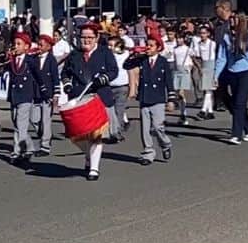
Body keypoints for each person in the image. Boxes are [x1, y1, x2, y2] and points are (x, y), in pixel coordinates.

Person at [62, 23, 119, 181]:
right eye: (83, 37)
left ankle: (94, 168)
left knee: (96, 135)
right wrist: (67, 84)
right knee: (77, 136)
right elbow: (65, 72)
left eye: (89, 37)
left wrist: (103, 78)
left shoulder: (104, 52)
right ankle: (88, 155)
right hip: (79, 98)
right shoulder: (74, 54)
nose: (86, 40)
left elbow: (114, 71)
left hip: (99, 98)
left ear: (97, 38)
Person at [215, 15, 248, 144]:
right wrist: (215, 76)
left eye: (234, 19)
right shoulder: (226, 37)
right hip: (232, 71)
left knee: (239, 102)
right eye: (230, 20)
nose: (231, 22)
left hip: (247, 71)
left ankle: (236, 135)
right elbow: (222, 57)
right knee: (237, 104)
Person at [123, 35, 173, 164]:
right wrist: (133, 54)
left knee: (157, 127)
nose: (148, 48)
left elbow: (169, 82)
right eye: (147, 45)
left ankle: (165, 143)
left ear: (158, 48)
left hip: (158, 98)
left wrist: (171, 99)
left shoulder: (163, 62)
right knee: (145, 128)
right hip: (145, 97)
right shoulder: (142, 60)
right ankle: (148, 152)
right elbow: (126, 65)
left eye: (151, 46)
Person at [5, 32, 43, 165]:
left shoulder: (31, 61)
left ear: (26, 47)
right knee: (16, 122)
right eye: (14, 44)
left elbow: (39, 76)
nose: (15, 46)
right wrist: (6, 59)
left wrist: (42, 92)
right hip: (14, 96)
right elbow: (1, 71)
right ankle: (30, 148)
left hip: (26, 95)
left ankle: (17, 152)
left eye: (19, 44)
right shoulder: (11, 60)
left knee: (19, 126)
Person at [191, 25, 217, 118]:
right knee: (207, 89)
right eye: (201, 33)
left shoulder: (212, 44)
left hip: (212, 65)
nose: (202, 35)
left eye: (204, 33)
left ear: (208, 34)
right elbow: (194, 55)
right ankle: (210, 111)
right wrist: (199, 67)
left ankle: (203, 110)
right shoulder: (198, 44)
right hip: (204, 65)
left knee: (208, 89)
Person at [108, 37, 131, 143]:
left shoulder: (126, 55)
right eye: (109, 45)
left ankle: (117, 132)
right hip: (108, 86)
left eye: (113, 45)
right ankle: (111, 131)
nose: (110, 47)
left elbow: (132, 70)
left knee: (119, 110)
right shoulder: (107, 56)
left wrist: (133, 87)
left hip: (122, 86)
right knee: (109, 111)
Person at [169, 29, 194, 126]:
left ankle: (184, 114)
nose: (179, 40)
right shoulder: (175, 49)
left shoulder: (188, 49)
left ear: (184, 39)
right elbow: (174, 61)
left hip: (185, 71)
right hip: (176, 71)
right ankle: (182, 113)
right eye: (178, 38)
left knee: (181, 92)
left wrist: (190, 67)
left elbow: (192, 59)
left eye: (181, 38)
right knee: (178, 94)